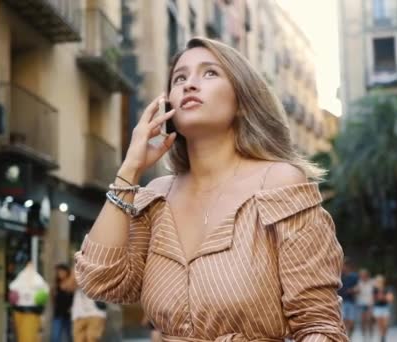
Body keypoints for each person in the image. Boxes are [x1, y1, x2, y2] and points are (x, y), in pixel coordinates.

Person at [74, 37, 347, 341]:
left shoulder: (279, 183)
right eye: (180, 78)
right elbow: (99, 280)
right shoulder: (155, 196)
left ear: (242, 103)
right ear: (168, 106)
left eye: (209, 73)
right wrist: (129, 170)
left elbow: (320, 328)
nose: (190, 84)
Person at [8, 261, 50, 342]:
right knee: (25, 336)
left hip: (31, 311)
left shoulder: (37, 279)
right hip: (22, 310)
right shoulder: (22, 278)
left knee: (29, 336)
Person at [51, 263, 75, 342]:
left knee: (70, 337)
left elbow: (68, 289)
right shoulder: (56, 285)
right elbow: (53, 299)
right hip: (58, 314)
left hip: (69, 315)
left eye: (61, 271)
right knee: (55, 337)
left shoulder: (71, 284)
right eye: (58, 272)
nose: (59, 273)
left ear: (66, 272)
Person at [338, 259, 358, 337]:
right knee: (344, 321)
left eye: (343, 265)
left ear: (347, 266)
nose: (342, 267)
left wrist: (354, 290)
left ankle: (349, 336)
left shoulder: (354, 276)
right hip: (342, 301)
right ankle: (346, 337)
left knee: (351, 322)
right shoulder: (339, 275)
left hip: (351, 301)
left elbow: (358, 286)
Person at [373, 275, 394, 342]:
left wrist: (383, 297)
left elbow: (390, 299)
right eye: (378, 281)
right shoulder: (375, 289)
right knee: (380, 325)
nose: (379, 282)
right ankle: (382, 338)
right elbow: (375, 299)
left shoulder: (387, 288)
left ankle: (383, 336)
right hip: (377, 308)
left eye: (380, 281)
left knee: (385, 324)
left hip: (385, 308)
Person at [355, 269, 374, 341]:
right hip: (361, 303)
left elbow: (374, 293)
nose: (363, 277)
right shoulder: (359, 283)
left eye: (364, 275)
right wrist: (356, 290)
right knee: (363, 321)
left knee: (369, 320)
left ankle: (370, 335)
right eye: (361, 275)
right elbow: (356, 291)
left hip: (370, 303)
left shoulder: (372, 282)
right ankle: (364, 336)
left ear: (367, 275)